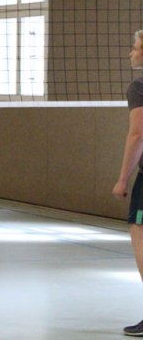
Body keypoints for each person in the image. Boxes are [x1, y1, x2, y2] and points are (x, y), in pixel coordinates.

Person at [112, 29, 143, 337]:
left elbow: (137, 134)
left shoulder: (139, 87)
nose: (130, 53)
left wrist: (123, 178)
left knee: (141, 238)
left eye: (135, 47)